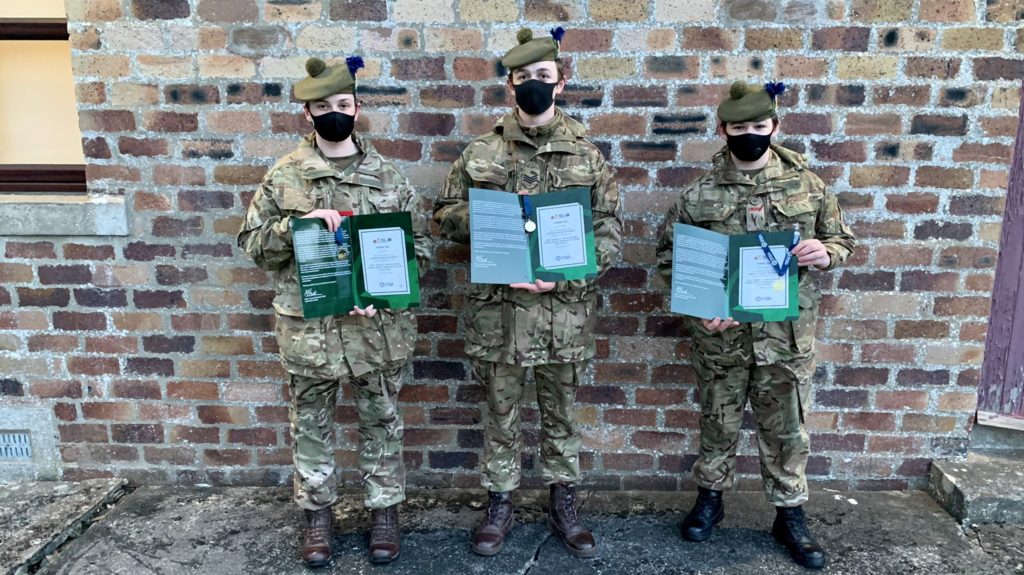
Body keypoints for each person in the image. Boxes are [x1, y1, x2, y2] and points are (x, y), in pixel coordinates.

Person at [432, 27, 622, 559]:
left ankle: (565, 501)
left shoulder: (587, 156)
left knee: (561, 413)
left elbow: (610, 230)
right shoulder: (480, 152)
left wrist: (566, 274)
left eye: (543, 76)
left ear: (561, 82)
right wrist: (489, 218)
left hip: (563, 312)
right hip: (500, 312)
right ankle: (500, 503)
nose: (533, 85)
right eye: (523, 78)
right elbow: (443, 217)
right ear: (509, 86)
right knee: (501, 414)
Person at [237, 55, 431, 567]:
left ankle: (384, 513)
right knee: (311, 424)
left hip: (377, 329)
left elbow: (421, 248)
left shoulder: (387, 176)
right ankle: (318, 517)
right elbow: (253, 244)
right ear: (307, 113)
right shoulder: (284, 176)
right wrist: (296, 228)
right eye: (322, 106)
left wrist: (384, 294)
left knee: (382, 420)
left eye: (343, 104)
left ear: (357, 107)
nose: (334, 113)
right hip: (311, 328)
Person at [655, 81, 856, 570]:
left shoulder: (810, 187)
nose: (750, 135)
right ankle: (710, 499)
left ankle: (789, 513)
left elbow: (842, 238)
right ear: (722, 129)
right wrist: (697, 305)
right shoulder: (697, 194)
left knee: (788, 430)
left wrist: (826, 253)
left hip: (783, 339)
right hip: (720, 338)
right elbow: (669, 260)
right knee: (717, 422)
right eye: (739, 127)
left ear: (775, 127)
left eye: (759, 127)